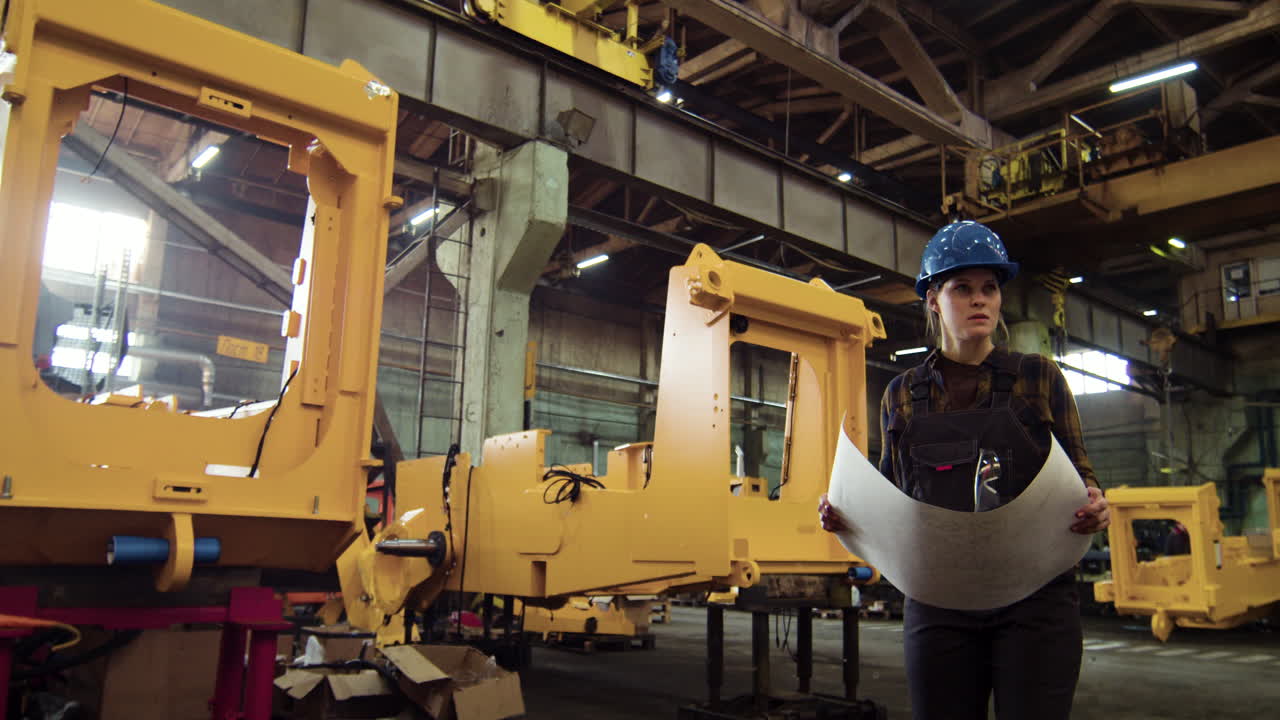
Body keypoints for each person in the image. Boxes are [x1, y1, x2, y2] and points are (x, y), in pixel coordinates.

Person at [818, 220, 1110, 720]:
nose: (980, 300)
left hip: (1036, 604)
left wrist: (1095, 505)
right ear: (933, 298)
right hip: (939, 602)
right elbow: (892, 495)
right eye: (963, 288)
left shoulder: (1038, 376)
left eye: (989, 288)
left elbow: (1083, 476)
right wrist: (848, 516)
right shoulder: (902, 394)